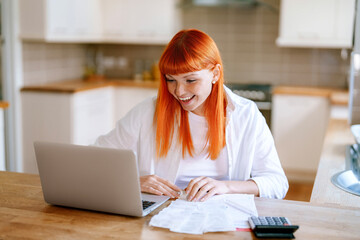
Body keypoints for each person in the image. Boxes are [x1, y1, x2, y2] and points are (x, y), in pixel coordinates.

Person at [94, 29, 288, 202]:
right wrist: (132, 182)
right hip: (162, 217)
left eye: (190, 80)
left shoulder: (246, 114)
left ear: (215, 74)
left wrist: (226, 186)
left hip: (224, 216)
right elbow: (95, 160)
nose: (179, 91)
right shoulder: (147, 112)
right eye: (171, 80)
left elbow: (277, 183)